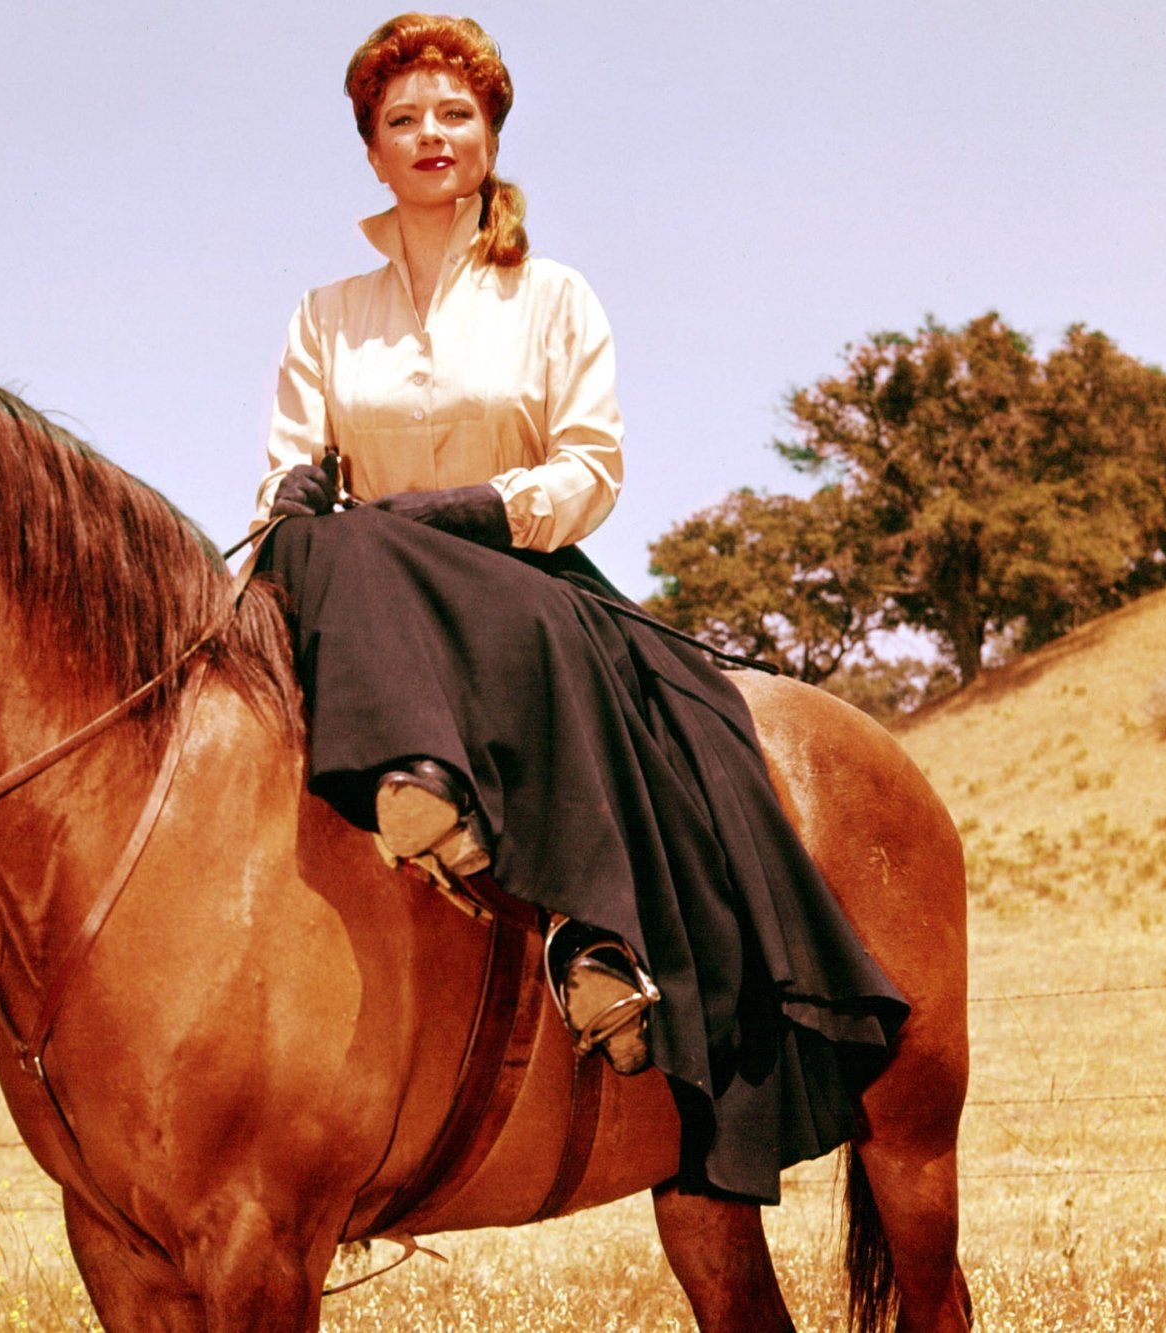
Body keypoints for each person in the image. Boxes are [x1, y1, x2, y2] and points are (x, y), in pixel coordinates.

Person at [249, 12, 907, 1205]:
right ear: (370, 151)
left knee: (506, 622)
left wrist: (452, 516)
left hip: (513, 573)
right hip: (362, 594)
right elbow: (288, 468)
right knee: (311, 559)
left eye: (452, 113)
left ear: (489, 134)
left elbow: (589, 469)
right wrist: (297, 498)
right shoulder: (323, 312)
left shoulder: (551, 295)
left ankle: (590, 935)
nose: (428, 134)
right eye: (401, 120)